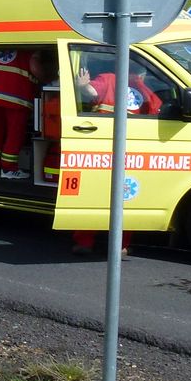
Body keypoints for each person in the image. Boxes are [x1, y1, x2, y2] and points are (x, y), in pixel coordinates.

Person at [70, 58, 157, 256]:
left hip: (110, 149)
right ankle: (117, 245)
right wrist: (83, 87)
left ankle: (88, 243)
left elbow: (92, 92)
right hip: (122, 150)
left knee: (99, 196)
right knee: (126, 197)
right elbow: (92, 91)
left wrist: (83, 87)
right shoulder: (120, 82)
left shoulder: (115, 80)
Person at [0, 48, 44, 180]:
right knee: (14, 135)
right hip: (17, 96)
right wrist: (48, 78)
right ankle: (8, 169)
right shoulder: (31, 47)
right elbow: (35, 68)